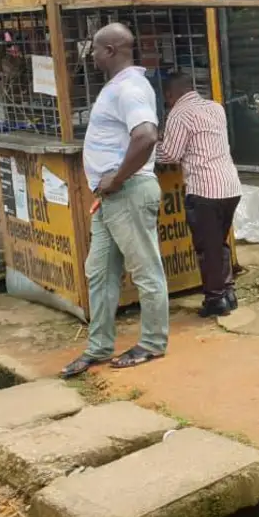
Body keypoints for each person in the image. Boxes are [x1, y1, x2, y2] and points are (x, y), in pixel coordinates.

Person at [60, 23, 169, 378]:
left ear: (110, 50)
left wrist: (117, 177)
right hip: (112, 198)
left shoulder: (131, 88)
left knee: (145, 270)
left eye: (93, 49)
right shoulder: (120, 87)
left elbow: (147, 136)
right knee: (99, 272)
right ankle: (99, 346)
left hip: (129, 191)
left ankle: (152, 343)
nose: (90, 55)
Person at [157, 74, 242, 317]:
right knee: (220, 244)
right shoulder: (216, 108)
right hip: (229, 187)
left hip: (204, 190)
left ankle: (215, 301)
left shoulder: (179, 114)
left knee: (207, 248)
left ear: (170, 95)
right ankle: (228, 293)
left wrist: (148, 149)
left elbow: (170, 155)